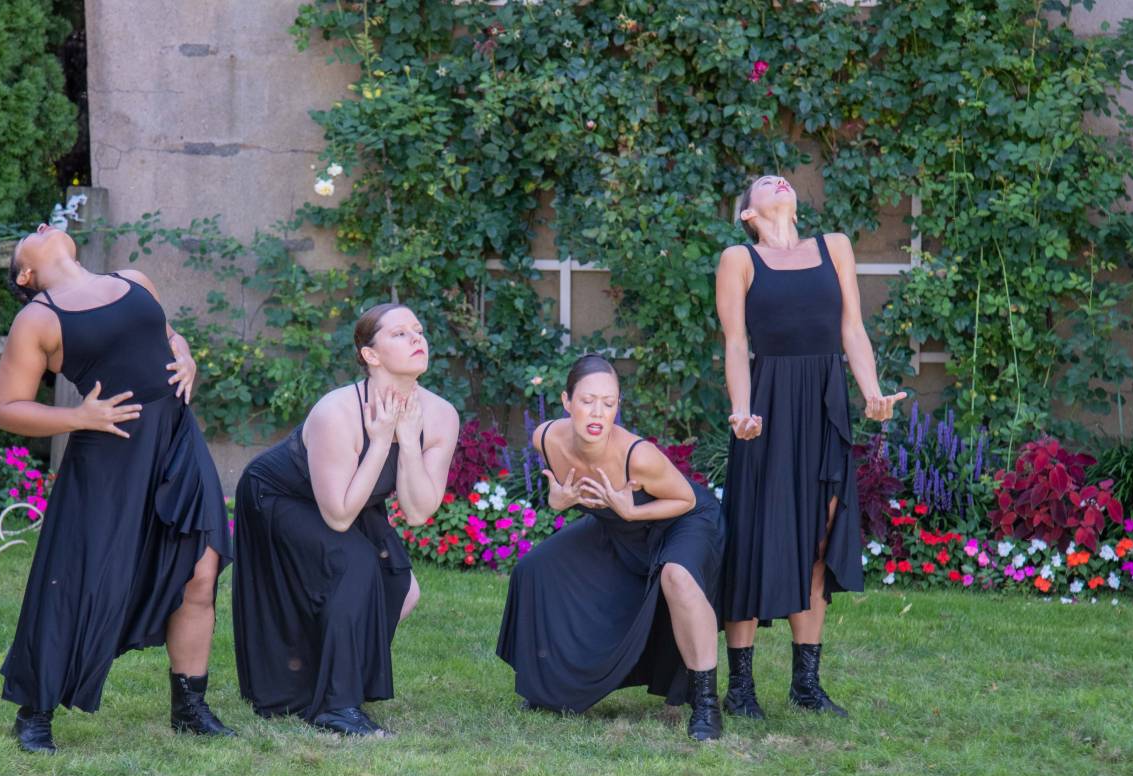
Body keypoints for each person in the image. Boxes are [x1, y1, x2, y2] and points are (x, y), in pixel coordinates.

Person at [0, 223, 233, 753]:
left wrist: (186, 354)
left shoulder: (134, 279)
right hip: (109, 452)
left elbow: (167, 336)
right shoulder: (39, 318)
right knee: (77, 579)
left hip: (175, 440)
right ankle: (35, 712)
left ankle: (189, 707)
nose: (41, 225)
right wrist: (77, 415)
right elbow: (7, 408)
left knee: (201, 567)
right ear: (26, 274)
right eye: (26, 237)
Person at [716, 175, 905, 719]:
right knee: (754, 537)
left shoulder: (835, 246)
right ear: (748, 213)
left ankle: (805, 685)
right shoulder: (739, 259)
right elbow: (735, 343)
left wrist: (871, 393)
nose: (778, 182)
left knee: (820, 538)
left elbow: (852, 328)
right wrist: (742, 411)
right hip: (767, 408)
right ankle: (742, 688)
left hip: (824, 403)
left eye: (783, 180)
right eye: (762, 185)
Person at [231, 303, 459, 736]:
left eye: (418, 330)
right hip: (280, 495)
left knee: (401, 587)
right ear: (370, 355)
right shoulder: (337, 411)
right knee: (353, 561)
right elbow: (337, 517)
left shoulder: (441, 415)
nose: (417, 339)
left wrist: (408, 442)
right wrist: (379, 441)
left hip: (355, 498)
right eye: (399, 334)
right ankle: (336, 706)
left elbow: (418, 512)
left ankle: (331, 675)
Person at [496, 354, 727, 741]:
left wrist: (630, 511)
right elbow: (560, 496)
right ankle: (547, 688)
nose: (597, 413)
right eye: (587, 401)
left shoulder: (637, 454)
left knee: (677, 576)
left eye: (609, 403)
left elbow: (685, 500)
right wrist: (558, 501)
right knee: (535, 568)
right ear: (567, 401)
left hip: (682, 521)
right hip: (620, 525)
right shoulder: (545, 439)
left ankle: (705, 702)